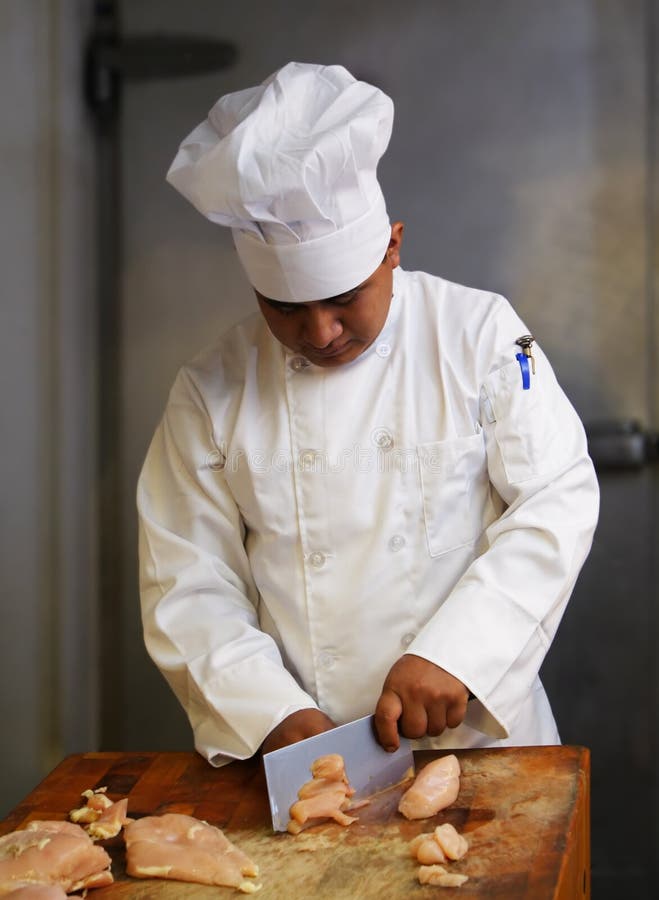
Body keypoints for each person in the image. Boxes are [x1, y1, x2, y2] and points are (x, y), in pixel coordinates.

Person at [137, 62, 599, 766]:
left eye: (343, 299)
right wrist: (264, 707)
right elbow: (186, 576)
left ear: (391, 246)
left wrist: (460, 653)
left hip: (476, 742)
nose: (320, 333)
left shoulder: (483, 335)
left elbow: (556, 498)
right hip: (308, 758)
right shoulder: (211, 389)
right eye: (286, 309)